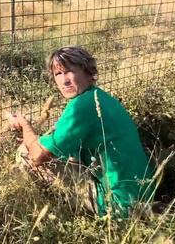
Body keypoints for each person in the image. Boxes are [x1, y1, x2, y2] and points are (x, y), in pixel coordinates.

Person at [8, 46, 155, 218]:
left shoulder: (81, 106)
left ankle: (49, 212)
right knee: (63, 155)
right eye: (58, 74)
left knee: (25, 154)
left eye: (69, 71)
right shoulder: (98, 97)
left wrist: (25, 125)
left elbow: (38, 156)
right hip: (144, 193)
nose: (64, 81)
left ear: (87, 72)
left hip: (119, 205)